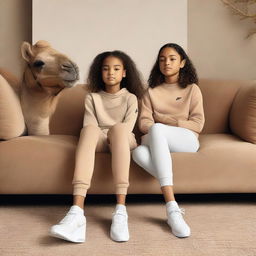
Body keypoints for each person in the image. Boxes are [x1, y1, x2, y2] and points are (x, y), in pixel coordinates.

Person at [50, 50, 144, 243]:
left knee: (118, 130)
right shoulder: (92, 98)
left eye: (116, 69)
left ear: (124, 73)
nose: (111, 73)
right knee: (89, 131)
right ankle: (76, 213)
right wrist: (102, 133)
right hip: (100, 138)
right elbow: (89, 126)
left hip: (123, 139)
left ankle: (120, 211)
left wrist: (113, 132)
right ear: (100, 72)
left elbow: (127, 128)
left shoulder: (131, 98)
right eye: (106, 69)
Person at [132, 43, 205, 238]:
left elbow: (197, 124)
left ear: (182, 63)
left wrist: (166, 121)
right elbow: (144, 123)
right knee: (137, 152)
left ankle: (171, 206)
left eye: (172, 59)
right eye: (162, 59)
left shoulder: (192, 89)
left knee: (156, 129)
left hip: (187, 140)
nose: (167, 63)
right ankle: (173, 207)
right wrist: (159, 127)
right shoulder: (151, 91)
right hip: (157, 137)